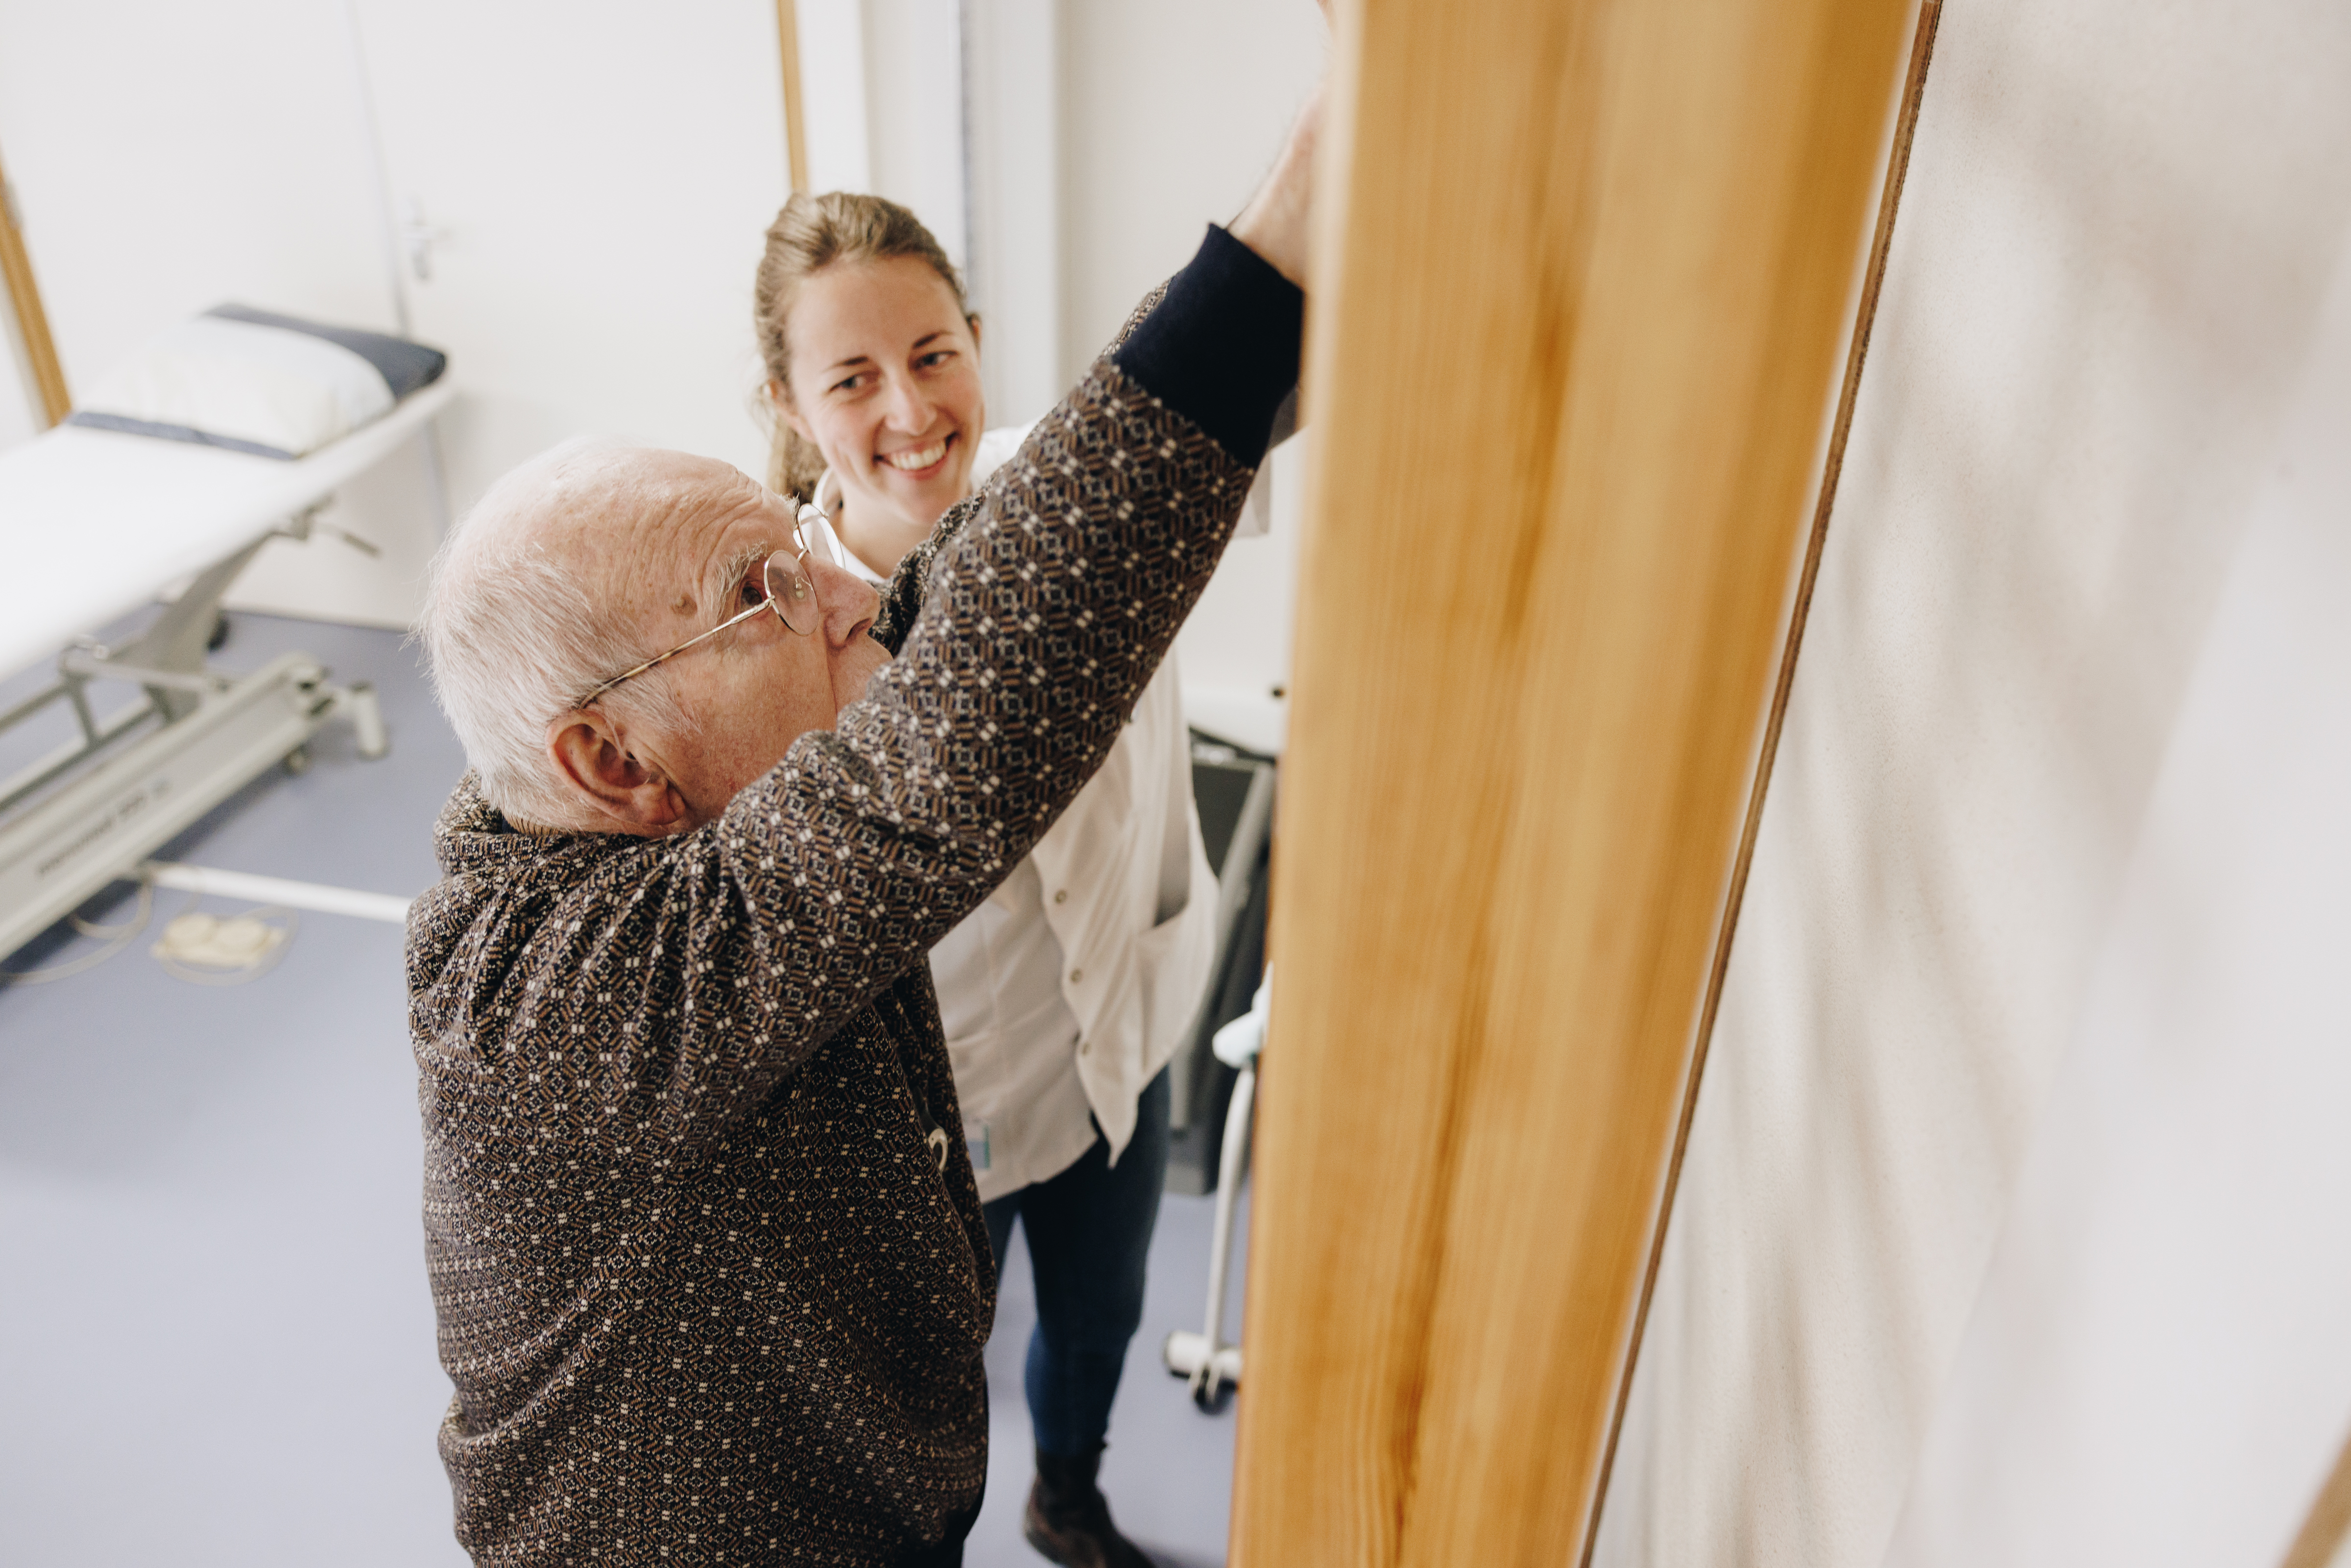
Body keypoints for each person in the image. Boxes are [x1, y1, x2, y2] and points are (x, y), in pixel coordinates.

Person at [406, 93, 1316, 1568]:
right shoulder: (574, 998)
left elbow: (964, 591)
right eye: (767, 596)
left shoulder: (594, 788)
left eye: (936, 349)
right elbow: (945, 745)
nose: (843, 600)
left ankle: (1063, 1490)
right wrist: (1307, 193)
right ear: (611, 756)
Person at [752, 191, 1214, 1568]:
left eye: (934, 352)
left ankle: (1067, 1498)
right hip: (921, 1113)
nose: (909, 408)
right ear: (786, 402)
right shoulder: (760, 636)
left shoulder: (1088, 494)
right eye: (851, 377)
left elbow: (1266, 378)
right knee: (917, 1403)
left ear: (976, 341)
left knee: (1102, 1314)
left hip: (1099, 1044)